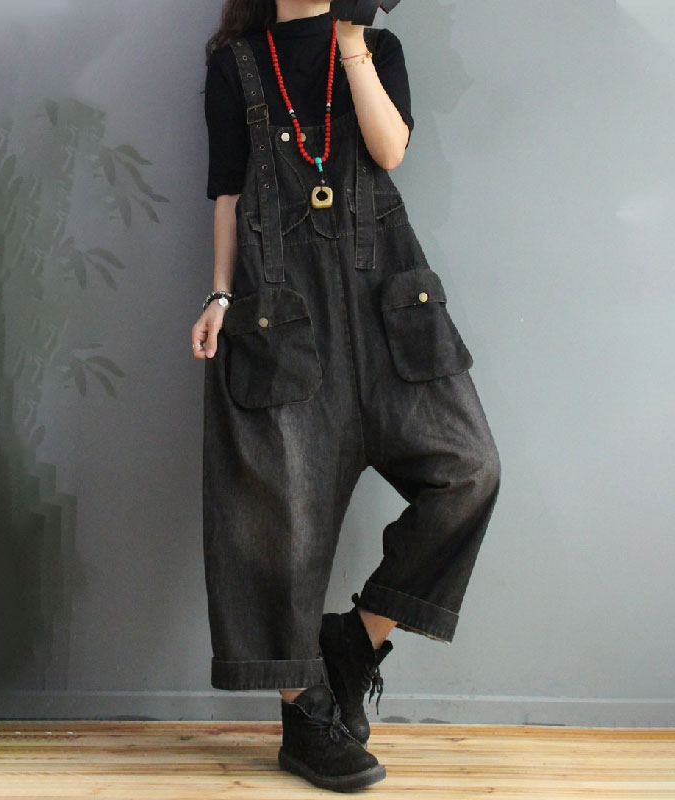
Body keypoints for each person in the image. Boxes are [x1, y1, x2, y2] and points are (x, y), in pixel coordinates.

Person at [193, 0, 501, 791]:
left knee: (469, 472)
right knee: (279, 517)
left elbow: (389, 149)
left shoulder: (378, 49)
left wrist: (354, 44)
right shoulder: (236, 65)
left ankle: (354, 642)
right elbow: (227, 193)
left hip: (388, 307)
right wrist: (219, 296)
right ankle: (304, 715)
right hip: (281, 312)